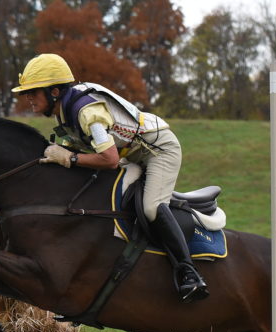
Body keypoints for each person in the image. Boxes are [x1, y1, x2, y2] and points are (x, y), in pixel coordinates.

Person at [11, 53, 208, 302]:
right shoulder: (63, 110)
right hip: (131, 154)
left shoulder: (86, 112)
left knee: (150, 208)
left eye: (33, 92)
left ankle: (189, 272)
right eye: (26, 93)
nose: (27, 98)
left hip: (158, 151)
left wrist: (69, 159)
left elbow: (109, 160)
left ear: (54, 92)